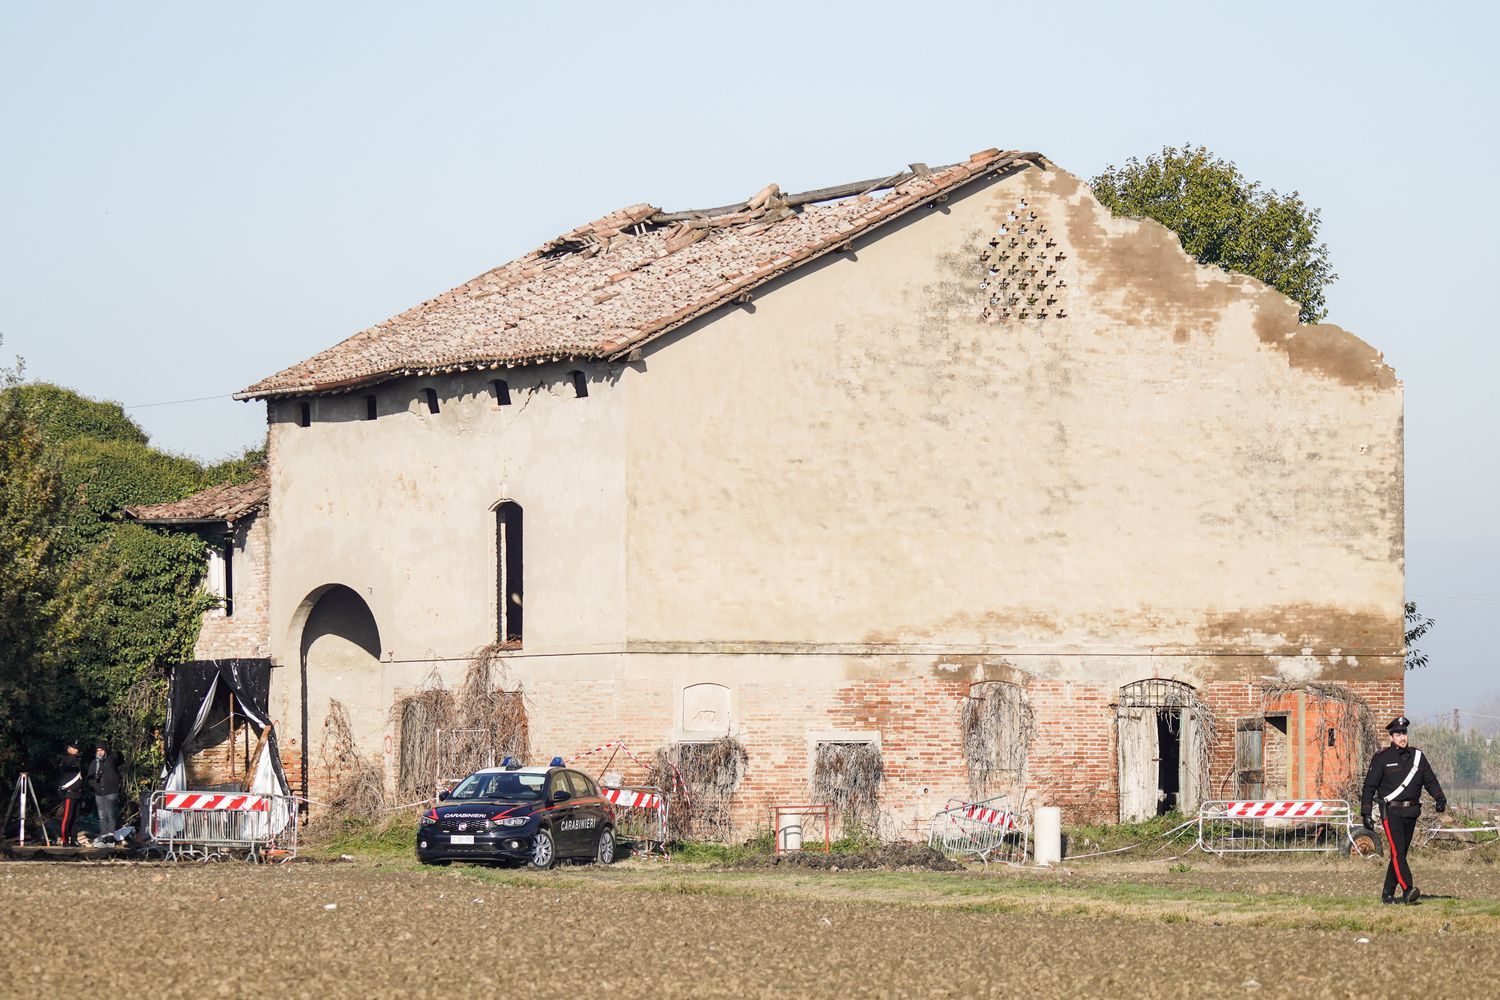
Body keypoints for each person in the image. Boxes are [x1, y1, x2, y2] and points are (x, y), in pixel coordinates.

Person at [1361, 715, 1446, 904]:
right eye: (1398, 734)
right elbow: (1369, 786)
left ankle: (1387, 894)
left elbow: (1430, 780)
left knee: (1400, 854)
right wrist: (1366, 812)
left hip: (1411, 812)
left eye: (1404, 733)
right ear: (1391, 737)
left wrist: (1440, 798)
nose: (1402, 737)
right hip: (1391, 813)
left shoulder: (1418, 756)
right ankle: (1408, 890)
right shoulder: (1382, 758)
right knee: (1398, 852)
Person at [85, 740, 125, 843]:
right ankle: (104, 835)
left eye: (101, 750)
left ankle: (111, 836)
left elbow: (120, 758)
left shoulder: (111, 759)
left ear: (105, 750)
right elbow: (89, 778)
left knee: (111, 815)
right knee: (102, 816)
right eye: (98, 750)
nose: (99, 752)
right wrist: (95, 786)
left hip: (111, 791)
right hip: (99, 793)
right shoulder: (94, 763)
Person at [55, 740, 87, 844]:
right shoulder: (67, 759)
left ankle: (74, 840)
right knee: (67, 818)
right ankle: (65, 840)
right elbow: (68, 765)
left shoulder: (77, 760)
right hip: (69, 792)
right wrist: (74, 756)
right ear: (69, 749)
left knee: (76, 819)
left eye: (77, 748)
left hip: (78, 792)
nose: (76, 750)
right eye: (74, 748)